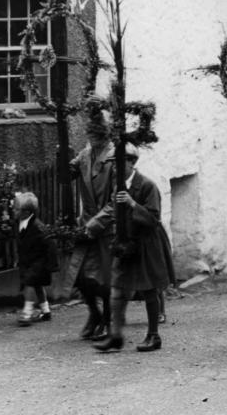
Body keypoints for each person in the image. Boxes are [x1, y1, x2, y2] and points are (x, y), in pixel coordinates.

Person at [94, 144, 171, 353]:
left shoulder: (147, 186)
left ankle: (153, 335)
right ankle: (116, 335)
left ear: (131, 162)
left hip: (145, 244)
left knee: (148, 290)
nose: (115, 169)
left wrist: (133, 204)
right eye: (113, 165)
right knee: (117, 291)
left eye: (119, 164)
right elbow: (115, 215)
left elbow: (153, 219)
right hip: (125, 245)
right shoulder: (118, 187)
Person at [63, 119, 116, 340]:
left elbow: (116, 201)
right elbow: (67, 175)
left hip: (106, 227)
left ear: (105, 136)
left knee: (104, 279)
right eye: (90, 134)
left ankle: (107, 320)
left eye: (95, 134)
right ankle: (94, 313)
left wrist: (96, 223)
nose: (91, 138)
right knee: (80, 277)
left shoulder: (115, 158)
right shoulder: (86, 154)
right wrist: (62, 158)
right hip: (85, 224)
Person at [15, 192, 58, 326]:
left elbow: (51, 244)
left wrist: (52, 265)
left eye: (17, 209)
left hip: (40, 261)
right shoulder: (20, 223)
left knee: (29, 282)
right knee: (37, 285)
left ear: (27, 212)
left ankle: (27, 313)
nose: (14, 211)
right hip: (29, 260)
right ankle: (45, 311)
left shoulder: (38, 227)